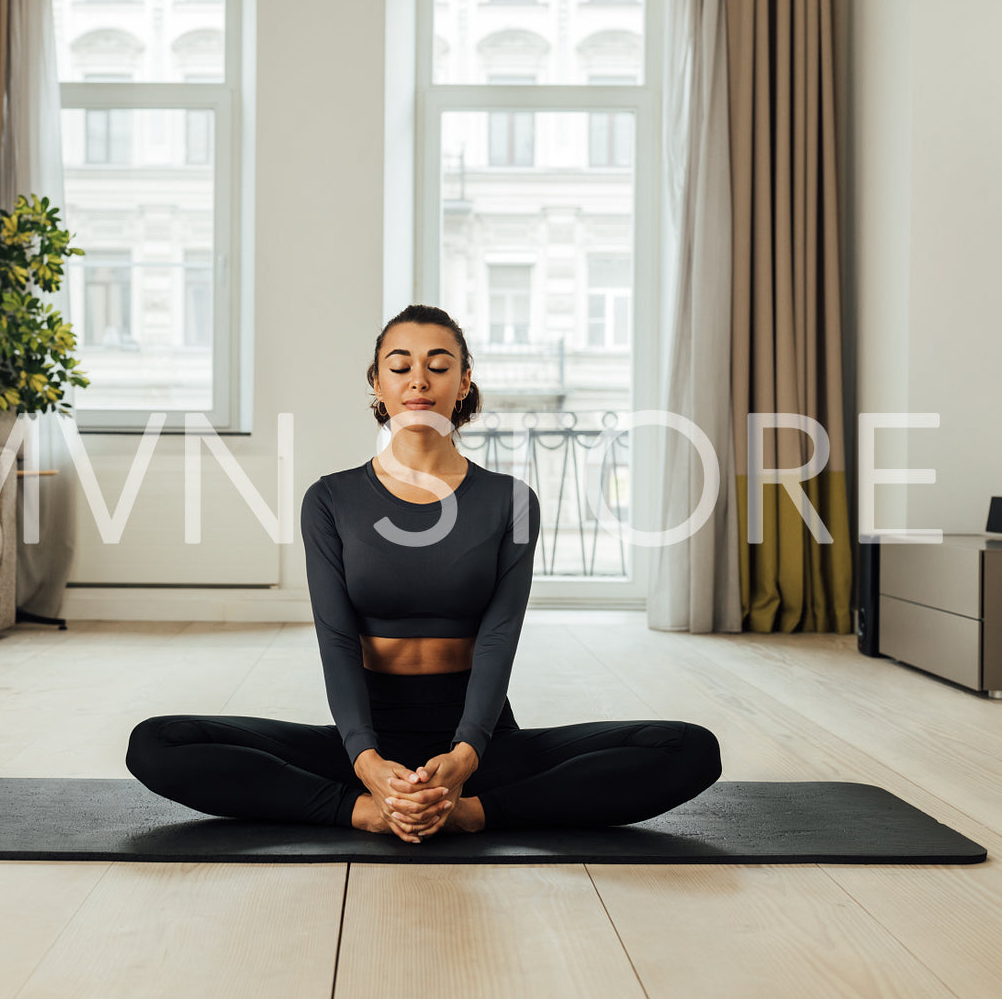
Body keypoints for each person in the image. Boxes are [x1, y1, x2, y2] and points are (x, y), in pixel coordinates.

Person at [126, 304, 722, 842]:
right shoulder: (329, 499)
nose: (419, 380)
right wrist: (366, 767)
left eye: (439, 366)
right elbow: (336, 640)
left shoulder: (510, 500)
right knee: (157, 743)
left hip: (479, 738)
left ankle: (471, 813)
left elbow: (498, 638)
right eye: (400, 365)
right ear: (377, 383)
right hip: (366, 738)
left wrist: (465, 757)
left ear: (463, 382)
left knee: (690, 750)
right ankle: (363, 811)